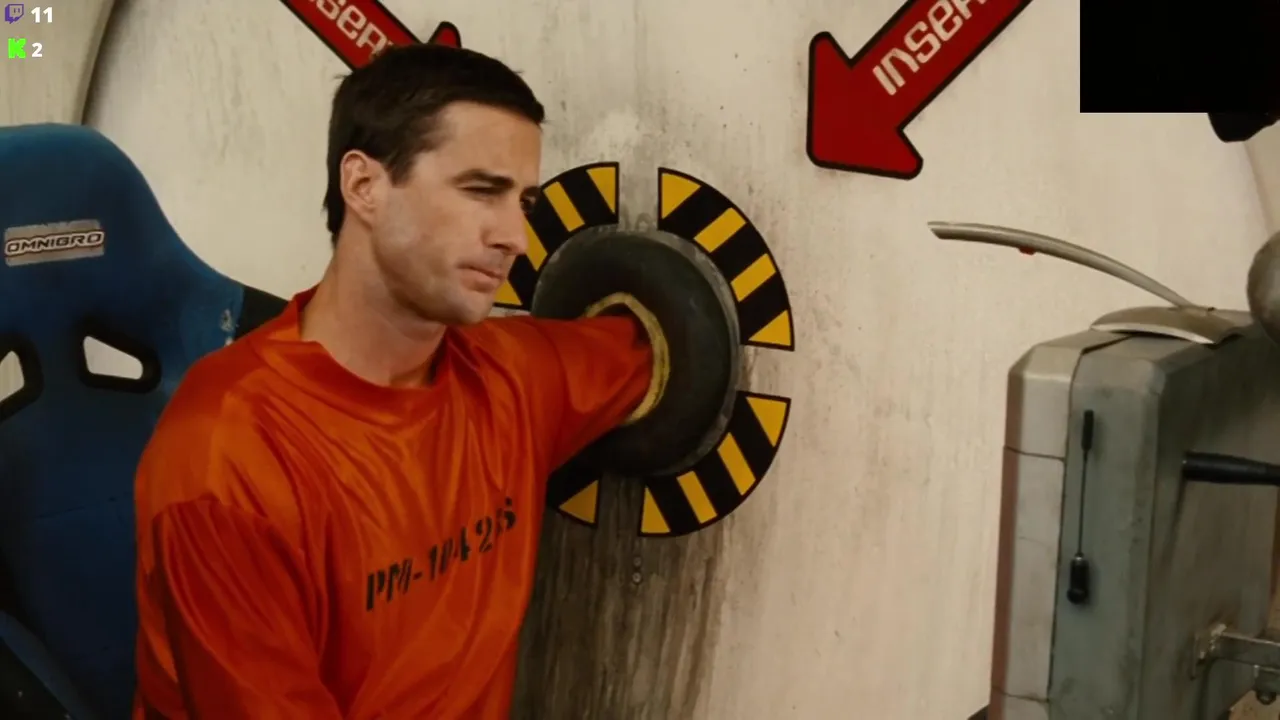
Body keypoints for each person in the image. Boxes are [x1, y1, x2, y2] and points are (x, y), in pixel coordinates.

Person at [131, 43, 660, 719]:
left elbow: (653, 341)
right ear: (364, 187)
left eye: (523, 202)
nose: (515, 238)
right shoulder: (227, 458)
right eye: (481, 191)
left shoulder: (513, 377)